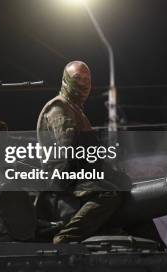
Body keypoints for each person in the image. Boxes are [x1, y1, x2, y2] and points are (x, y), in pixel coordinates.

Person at [36, 60, 121, 244]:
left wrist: (113, 174)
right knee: (108, 193)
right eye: (77, 78)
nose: (82, 83)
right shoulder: (59, 107)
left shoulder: (76, 110)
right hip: (63, 179)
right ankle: (65, 238)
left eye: (86, 79)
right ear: (65, 80)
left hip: (78, 174)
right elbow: (71, 151)